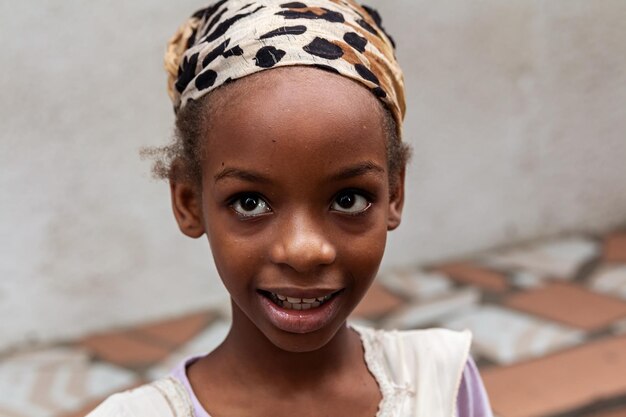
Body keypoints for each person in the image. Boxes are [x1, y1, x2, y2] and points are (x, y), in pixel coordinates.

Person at [88, 1, 493, 416]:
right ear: (189, 201)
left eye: (348, 199)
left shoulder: (440, 382)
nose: (304, 251)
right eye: (250, 203)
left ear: (395, 192)